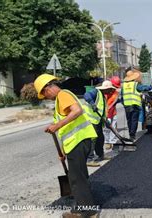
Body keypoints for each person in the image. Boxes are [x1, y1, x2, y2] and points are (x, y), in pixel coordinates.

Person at [34, 74, 98, 218]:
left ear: (48, 88)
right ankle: (82, 207)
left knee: (76, 178)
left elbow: (77, 111)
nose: (45, 97)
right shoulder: (60, 99)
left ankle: (88, 211)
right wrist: (63, 151)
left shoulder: (63, 95)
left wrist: (56, 125)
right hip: (77, 142)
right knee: (79, 176)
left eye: (44, 94)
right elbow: (66, 130)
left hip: (79, 141)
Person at [83, 82, 111, 166]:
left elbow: (102, 110)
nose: (110, 91)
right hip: (90, 120)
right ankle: (89, 159)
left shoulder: (102, 96)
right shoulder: (95, 92)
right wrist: (92, 104)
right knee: (92, 140)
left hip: (98, 121)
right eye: (110, 89)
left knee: (100, 138)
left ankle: (100, 154)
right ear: (105, 88)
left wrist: (106, 120)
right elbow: (86, 95)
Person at [121, 69, 152, 140]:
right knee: (134, 120)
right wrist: (150, 86)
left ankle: (130, 133)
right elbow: (144, 88)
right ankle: (132, 135)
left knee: (129, 120)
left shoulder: (124, 85)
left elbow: (122, 96)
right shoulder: (135, 84)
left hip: (127, 105)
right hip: (135, 105)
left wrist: (124, 104)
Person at [103, 77, 121, 149]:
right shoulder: (104, 94)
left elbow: (114, 101)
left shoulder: (116, 93)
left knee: (113, 127)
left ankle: (113, 142)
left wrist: (111, 107)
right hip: (106, 113)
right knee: (106, 128)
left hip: (113, 113)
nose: (115, 88)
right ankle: (107, 142)